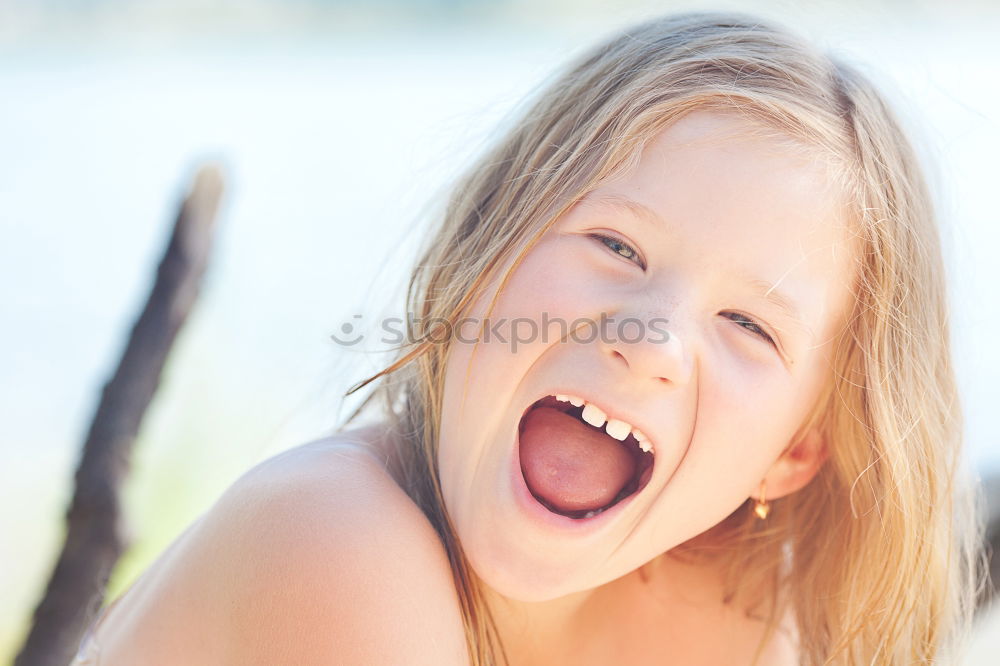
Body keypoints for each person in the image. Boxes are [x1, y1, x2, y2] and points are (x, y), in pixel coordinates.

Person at [73, 11, 983, 665]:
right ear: (482, 257)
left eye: (748, 324)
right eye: (615, 245)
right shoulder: (332, 540)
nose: (650, 339)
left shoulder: (732, 620)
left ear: (793, 455)